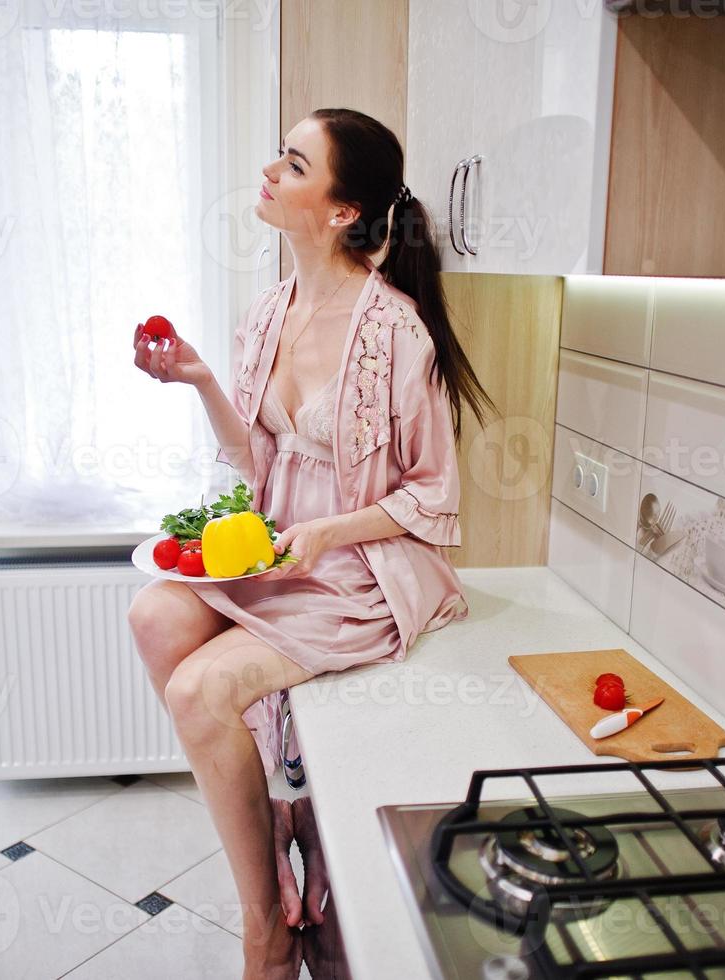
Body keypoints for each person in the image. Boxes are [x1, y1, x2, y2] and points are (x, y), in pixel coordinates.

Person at [127, 107, 497, 979]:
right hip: (278, 550)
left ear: (339, 210)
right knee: (153, 617)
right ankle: (276, 828)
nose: (269, 170)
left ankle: (264, 927)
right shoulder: (269, 312)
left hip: (358, 568)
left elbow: (435, 497)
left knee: (199, 689)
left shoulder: (396, 331)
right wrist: (202, 380)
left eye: (293, 164)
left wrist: (329, 529)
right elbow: (252, 456)